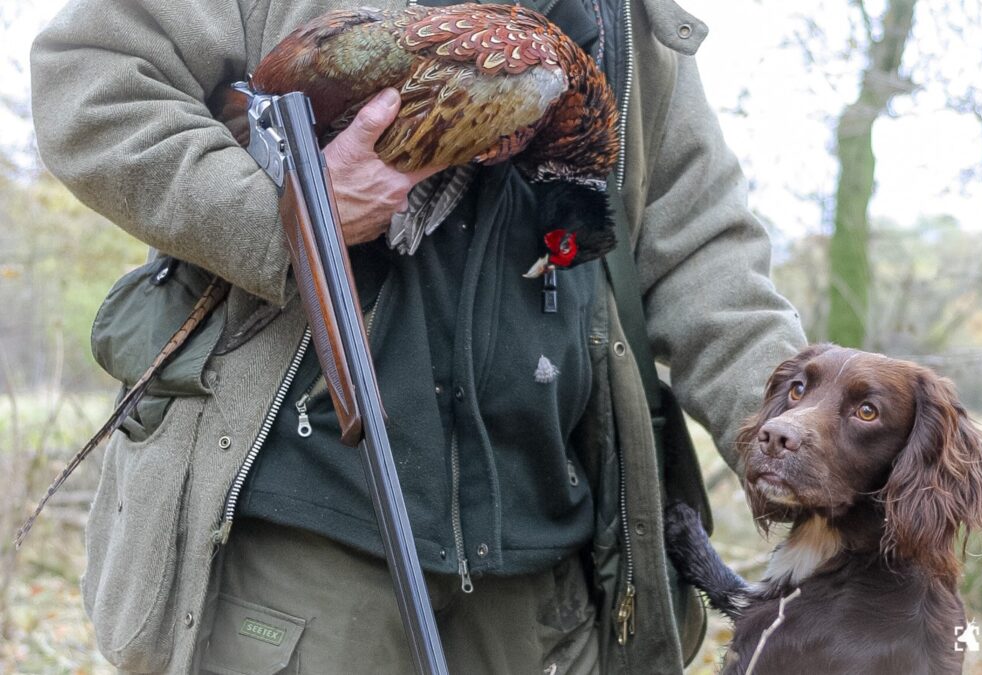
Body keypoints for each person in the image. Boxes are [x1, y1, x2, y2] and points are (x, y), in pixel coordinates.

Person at [31, 0, 807, 673]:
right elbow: (93, 80)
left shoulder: (628, 23)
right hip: (304, 553)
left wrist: (819, 444)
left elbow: (708, 254)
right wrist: (293, 214)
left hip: (545, 571)